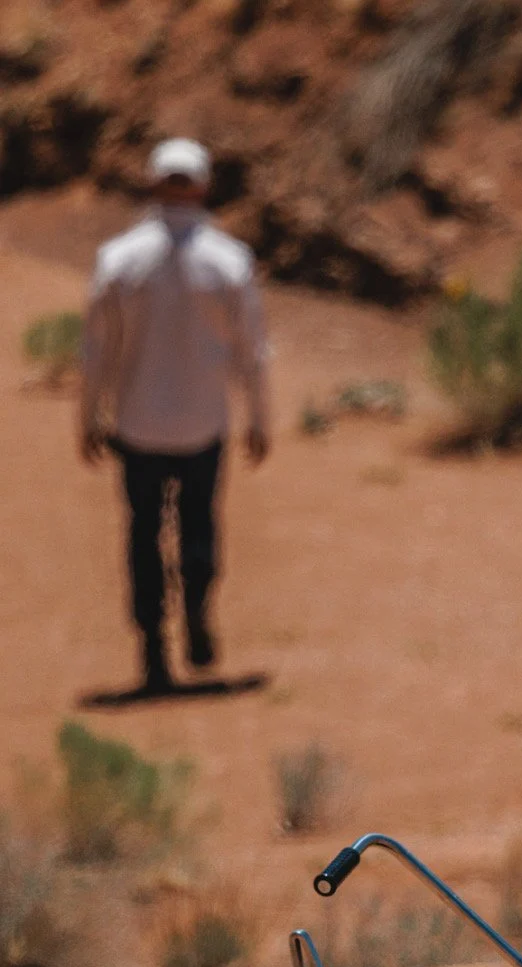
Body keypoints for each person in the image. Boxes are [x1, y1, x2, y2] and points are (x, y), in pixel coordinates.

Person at [80, 137, 271, 694]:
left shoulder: (119, 260)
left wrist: (88, 417)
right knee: (199, 526)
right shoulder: (229, 261)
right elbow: (252, 350)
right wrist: (260, 417)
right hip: (203, 424)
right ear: (206, 188)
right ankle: (197, 615)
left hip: (137, 425)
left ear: (151, 184)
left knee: (144, 533)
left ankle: (153, 651)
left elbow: (96, 350)